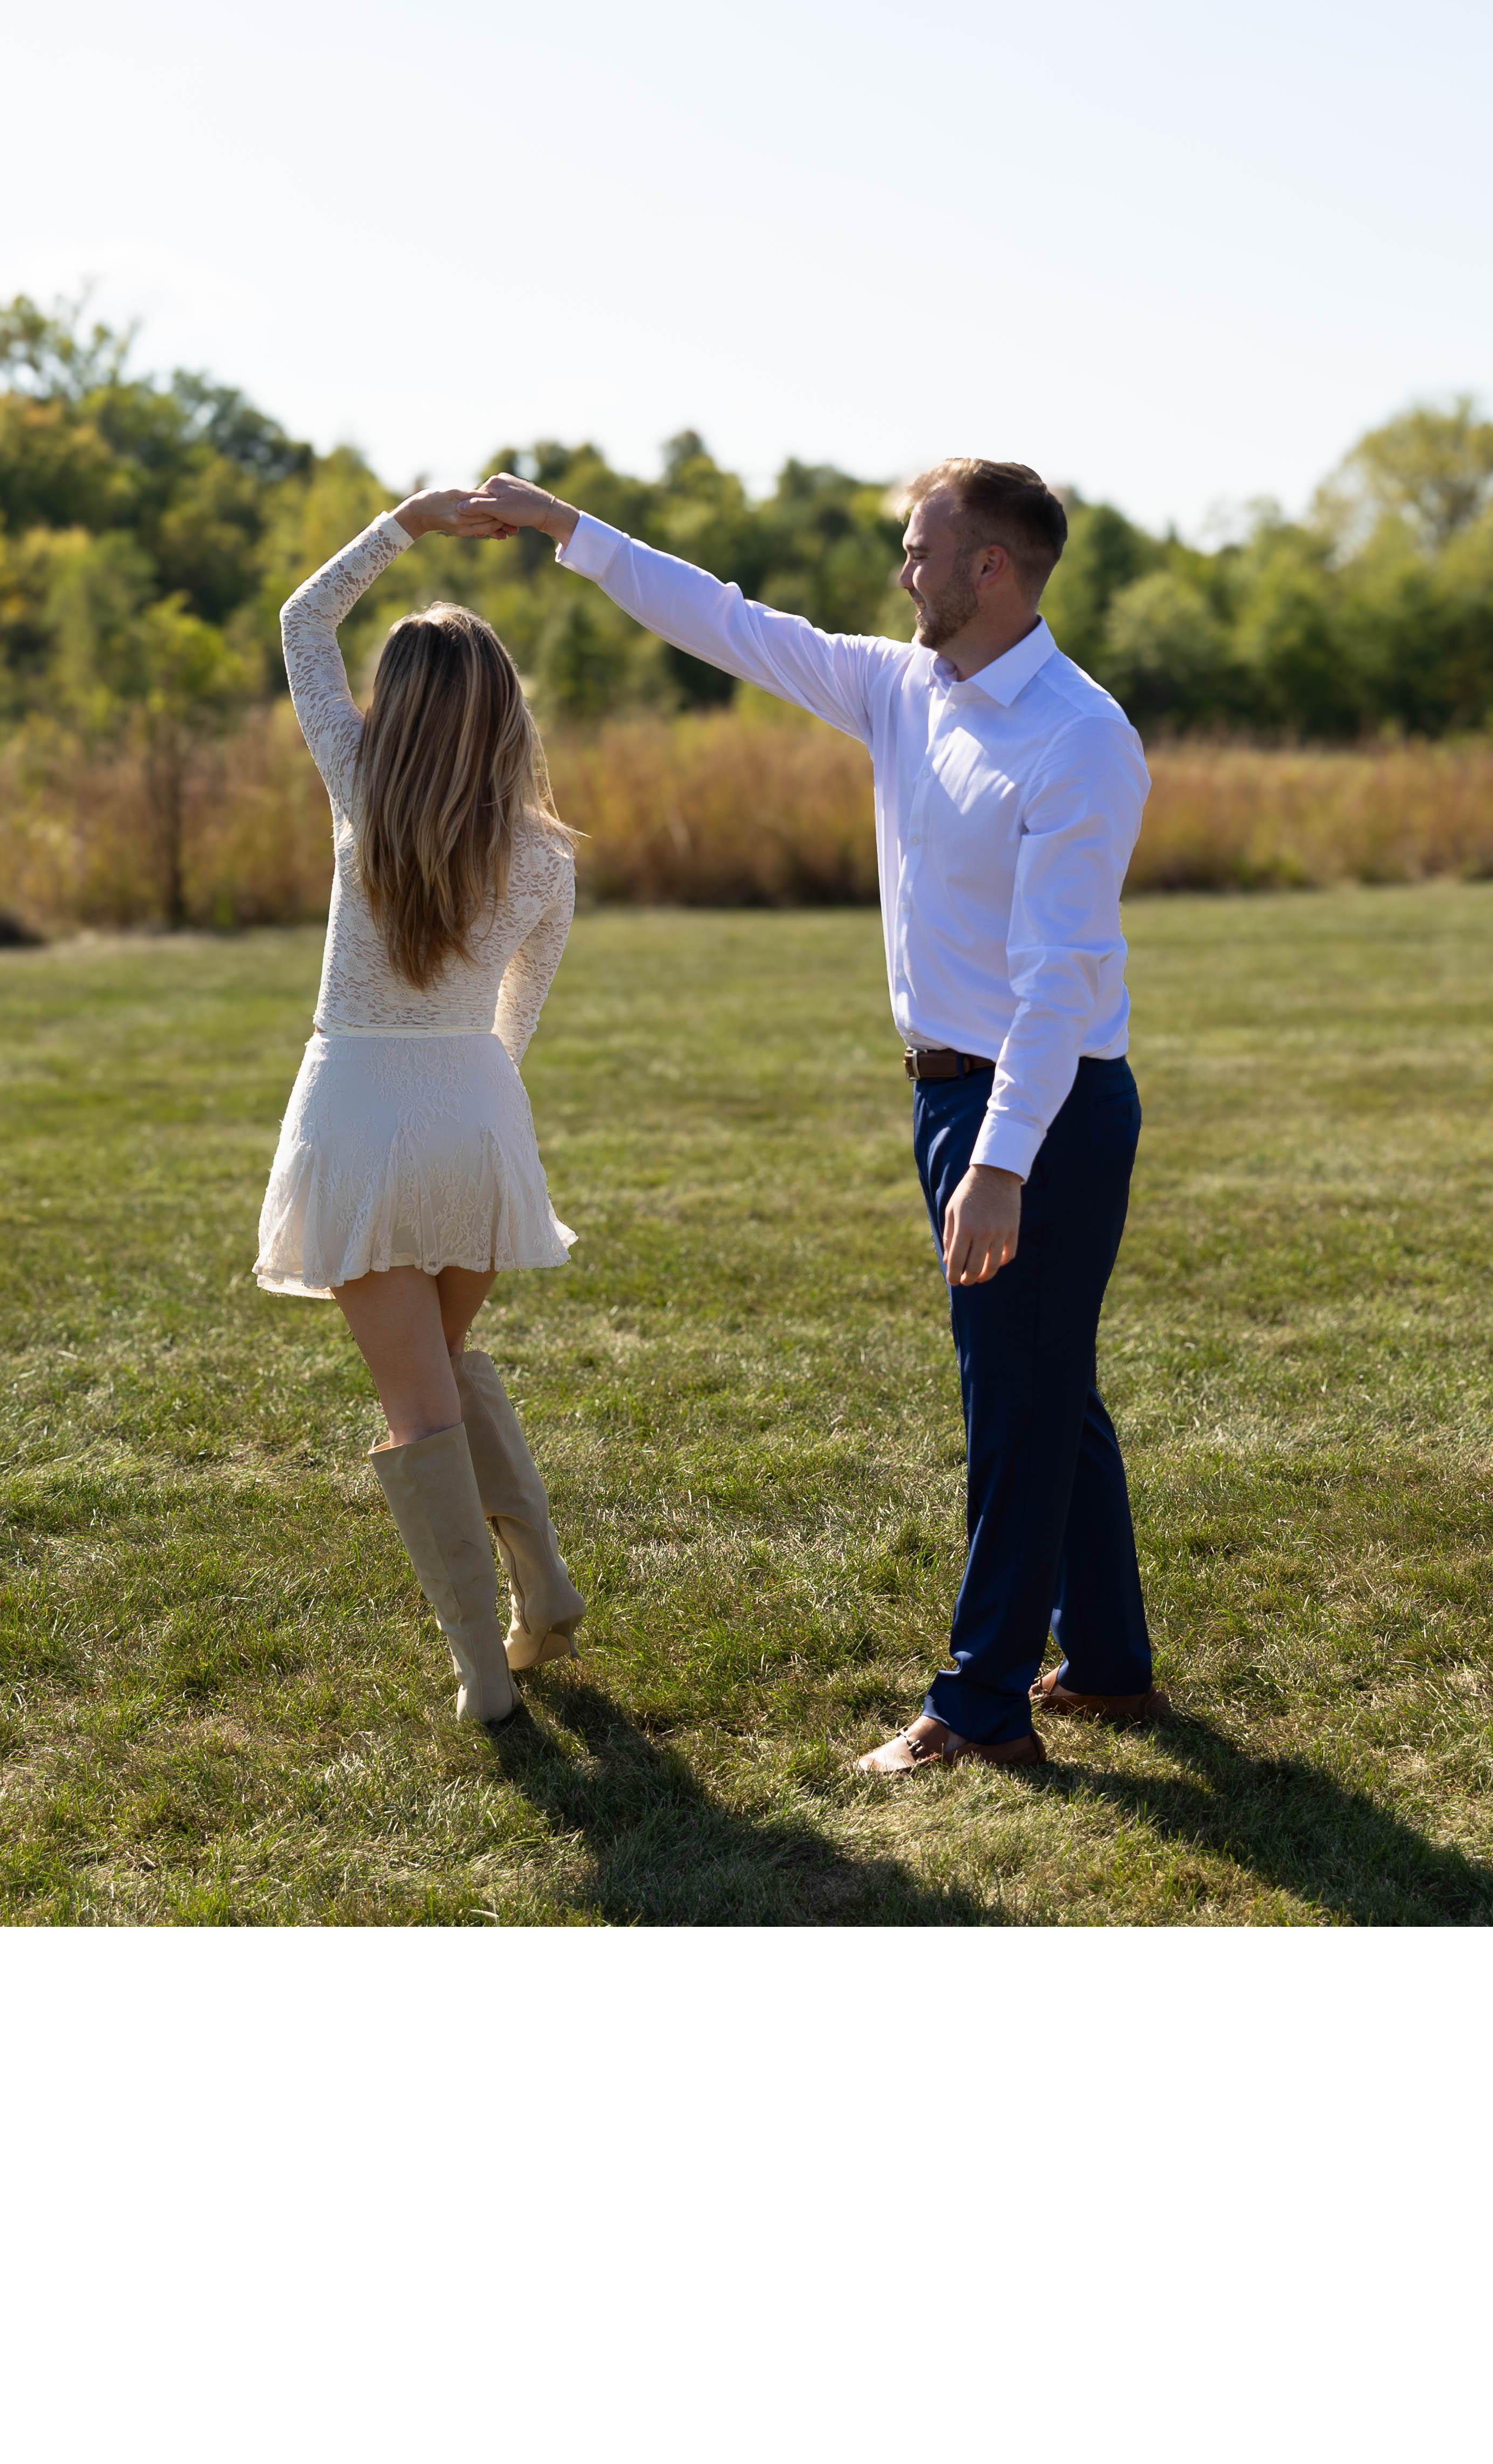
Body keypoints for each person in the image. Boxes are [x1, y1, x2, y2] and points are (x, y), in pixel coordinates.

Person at [461, 456, 1159, 1774]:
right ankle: (1110, 1662)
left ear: (992, 568)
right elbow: (731, 623)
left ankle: (980, 1707)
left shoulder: (1079, 737)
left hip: (1041, 1109)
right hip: (953, 1099)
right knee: (1044, 1386)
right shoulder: (904, 688)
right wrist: (568, 528)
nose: (904, 571)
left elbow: (1060, 984)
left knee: (1014, 1407)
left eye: (922, 551)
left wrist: (1002, 1162)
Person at [254, 487, 589, 1726]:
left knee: (417, 1402)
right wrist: (471, 1099)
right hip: (476, 1115)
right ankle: (542, 1588)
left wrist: (406, 523)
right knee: (437, 1369)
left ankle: (485, 1671)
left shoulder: (360, 794)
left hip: (358, 1109)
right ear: (507, 714)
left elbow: (303, 622)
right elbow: (518, 1021)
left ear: (391, 707)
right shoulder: (546, 857)